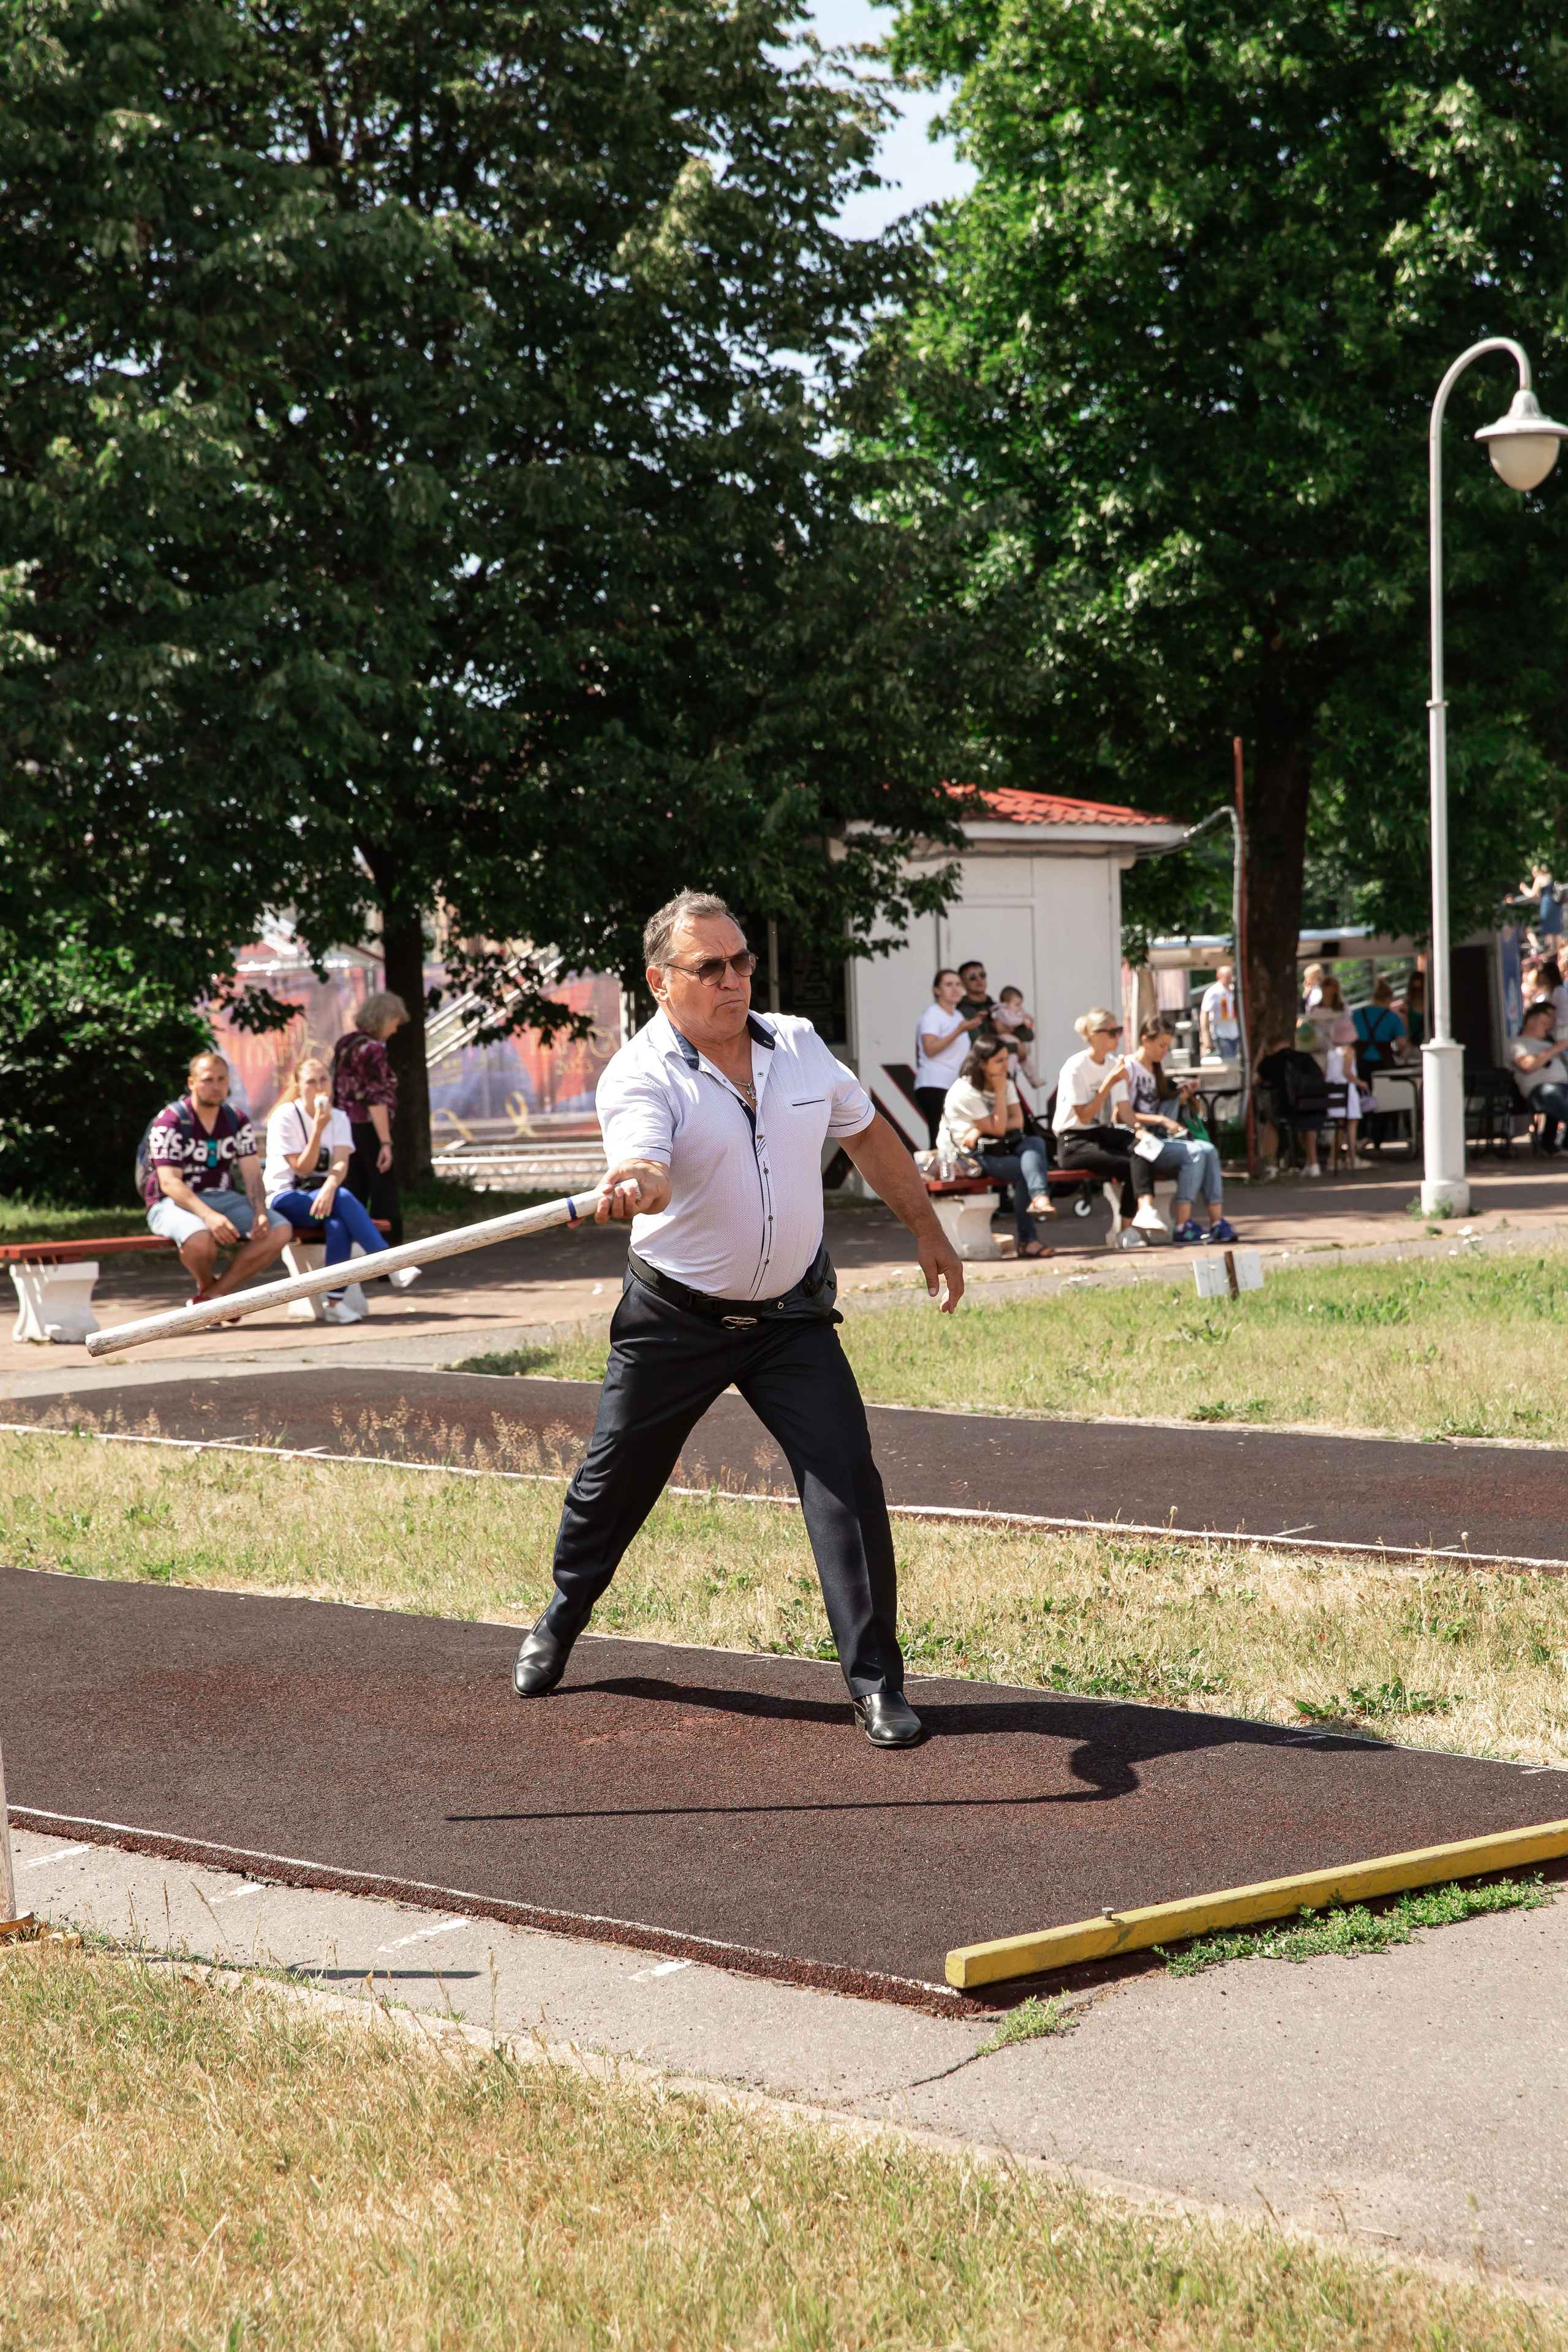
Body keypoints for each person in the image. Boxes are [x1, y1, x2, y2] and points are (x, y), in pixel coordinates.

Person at [511, 889, 965, 1748]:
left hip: (790, 1317)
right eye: (709, 967)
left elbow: (866, 1135)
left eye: (742, 962)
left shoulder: (796, 1045)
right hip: (675, 1318)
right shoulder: (640, 1074)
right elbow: (645, 1158)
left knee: (847, 1480)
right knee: (614, 1486)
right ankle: (565, 1613)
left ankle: (876, 1683)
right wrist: (642, 1179)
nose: (733, 980)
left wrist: (928, 1229)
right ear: (660, 981)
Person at [263, 1054, 410, 1322]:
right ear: (298, 1087)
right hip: (285, 1197)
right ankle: (389, 1263)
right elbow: (302, 1169)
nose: (320, 1088)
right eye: (311, 1082)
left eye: (324, 1080)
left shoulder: (340, 1117)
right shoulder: (284, 1117)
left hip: (323, 1197)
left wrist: (330, 1187)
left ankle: (334, 1304)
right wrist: (318, 1130)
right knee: (342, 1199)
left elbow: (341, 1162)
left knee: (338, 1224)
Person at [143, 1051, 293, 1304]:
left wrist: (259, 1212)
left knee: (279, 1230)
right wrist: (210, 1217)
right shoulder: (171, 1121)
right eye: (208, 1080)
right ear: (192, 1083)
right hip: (171, 1202)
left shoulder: (236, 1119)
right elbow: (169, 1183)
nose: (216, 1086)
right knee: (200, 1239)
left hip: (222, 1196)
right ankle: (210, 1290)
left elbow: (252, 1173)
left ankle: (214, 1296)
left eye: (221, 1079)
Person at [1052, 1009, 1161, 1245]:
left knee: (1142, 1146)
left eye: (1119, 1031)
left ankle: (1145, 1209)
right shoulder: (1076, 1066)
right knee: (1128, 1165)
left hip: (1100, 1134)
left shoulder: (1113, 1063)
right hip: (1074, 1140)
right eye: (1112, 1032)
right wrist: (1108, 1082)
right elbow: (1084, 1116)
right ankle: (1126, 1230)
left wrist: (1139, 1129)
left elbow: (1124, 1110)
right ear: (1093, 1035)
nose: (1117, 1037)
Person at [938, 1041, 1056, 1257]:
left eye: (1006, 1060)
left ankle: (1039, 1199)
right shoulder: (966, 1090)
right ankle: (1028, 1239)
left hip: (1000, 1146)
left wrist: (980, 1129)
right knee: (1025, 1171)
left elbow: (1018, 1122)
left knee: (1035, 1143)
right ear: (982, 1063)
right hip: (969, 1156)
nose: (1005, 1066)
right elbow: (1001, 1128)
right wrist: (1000, 1094)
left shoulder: (1005, 1081)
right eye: (999, 1061)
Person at [1125, 1016, 1237, 1242]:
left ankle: (1216, 1222)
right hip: (1139, 1142)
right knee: (1194, 1154)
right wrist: (1161, 1120)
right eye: (1162, 1046)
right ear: (1145, 1040)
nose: (1165, 1051)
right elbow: (1122, 1115)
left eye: (1168, 1046)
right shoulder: (1128, 1067)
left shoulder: (1157, 1067)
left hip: (1159, 1139)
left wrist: (1180, 1097)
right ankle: (1182, 1225)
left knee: (1209, 1150)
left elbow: (1161, 1107)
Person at [332, 992, 408, 1247]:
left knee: (354, 1194)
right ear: (385, 1020)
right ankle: (391, 1262)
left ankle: (351, 1259)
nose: (396, 1030)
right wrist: (386, 1143)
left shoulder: (346, 1043)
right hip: (368, 1129)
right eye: (396, 1023)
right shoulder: (373, 1049)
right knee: (384, 1196)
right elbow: (375, 1099)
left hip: (343, 1128)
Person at [913, 969, 989, 1144]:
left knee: (955, 1136)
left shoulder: (958, 1015)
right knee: (940, 1138)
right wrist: (960, 1030)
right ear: (937, 990)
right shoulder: (932, 1013)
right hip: (934, 1084)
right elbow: (930, 1049)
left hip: (954, 1085)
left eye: (958, 985)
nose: (955, 989)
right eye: (948, 985)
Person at [1509, 1000, 1568, 1153]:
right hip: (1540, 1091)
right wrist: (1557, 1048)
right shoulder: (1517, 1044)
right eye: (1545, 1023)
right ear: (1531, 1021)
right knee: (1552, 1093)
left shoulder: (1549, 1044)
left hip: (1562, 1087)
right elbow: (1527, 1065)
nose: (1549, 1027)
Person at [1351, 978, 1406, 1074]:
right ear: (1388, 999)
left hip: (1361, 1062)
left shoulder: (1358, 1014)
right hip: (1383, 1062)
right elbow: (1402, 1043)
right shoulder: (1392, 1017)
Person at [991, 986, 1037, 1082]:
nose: (1019, 1008)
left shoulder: (1016, 1012)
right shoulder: (1002, 1011)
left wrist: (1028, 1020)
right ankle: (1008, 1076)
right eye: (1017, 1005)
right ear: (1007, 1004)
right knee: (1013, 1057)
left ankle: (1033, 1079)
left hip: (1015, 1040)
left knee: (1026, 1060)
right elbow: (1010, 1022)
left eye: (1020, 1004)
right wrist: (1022, 1020)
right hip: (1006, 1039)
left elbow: (1029, 1032)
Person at [1198, 962, 1241, 1060]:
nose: (1230, 979)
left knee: (1238, 1061)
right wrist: (1206, 1037)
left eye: (1231, 976)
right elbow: (1204, 1013)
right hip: (1222, 1034)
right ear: (1219, 976)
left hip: (1236, 1033)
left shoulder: (1234, 990)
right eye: (1227, 976)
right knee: (1229, 1061)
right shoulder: (1214, 992)